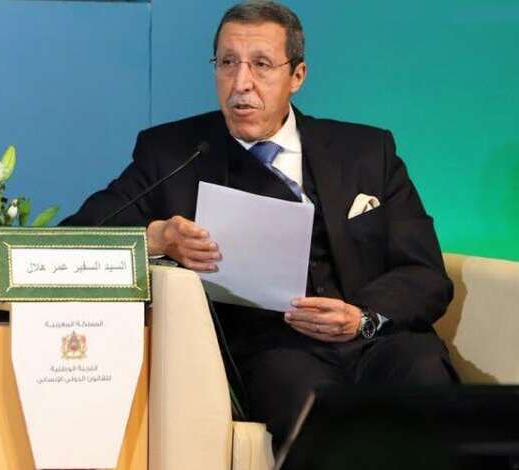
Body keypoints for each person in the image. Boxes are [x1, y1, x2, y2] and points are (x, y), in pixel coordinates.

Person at [63, 0, 458, 450]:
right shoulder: (171, 153)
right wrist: (157, 238)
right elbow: (74, 238)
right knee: (316, 420)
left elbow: (425, 273)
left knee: (427, 380)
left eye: (261, 65)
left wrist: (362, 318)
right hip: (276, 351)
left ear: (297, 75)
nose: (241, 83)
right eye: (227, 63)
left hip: (376, 337)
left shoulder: (366, 151)